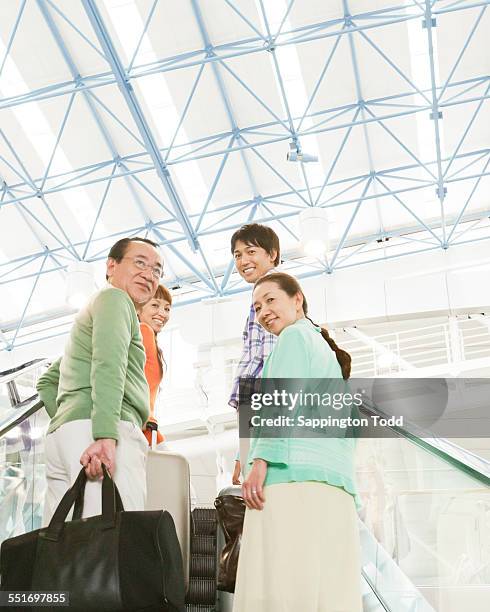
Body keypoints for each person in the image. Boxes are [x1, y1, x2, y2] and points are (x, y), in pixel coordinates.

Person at [233, 272, 362, 612]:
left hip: (291, 479)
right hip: (334, 486)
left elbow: (279, 401)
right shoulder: (326, 354)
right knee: (327, 592)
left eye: (270, 300)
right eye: (257, 307)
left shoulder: (292, 338)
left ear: (297, 299)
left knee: (281, 588)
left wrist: (259, 461)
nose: (263, 312)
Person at [37, 237, 162, 522]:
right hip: (102, 428)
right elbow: (109, 363)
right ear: (111, 265)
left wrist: (69, 418)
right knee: (115, 541)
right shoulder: (114, 299)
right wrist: (104, 433)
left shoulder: (97, 309)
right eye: (139, 263)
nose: (149, 275)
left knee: (67, 549)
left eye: (157, 270)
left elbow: (46, 381)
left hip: (68, 436)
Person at [228, 224, 280, 485]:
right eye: (237, 255)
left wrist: (256, 452)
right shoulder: (260, 296)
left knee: (264, 495)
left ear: (272, 254)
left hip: (264, 406)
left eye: (250, 251)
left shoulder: (273, 292)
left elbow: (272, 366)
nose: (243, 260)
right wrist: (242, 450)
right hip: (255, 408)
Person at [137, 284, 172, 447]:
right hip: (143, 426)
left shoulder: (147, 337)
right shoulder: (144, 330)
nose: (162, 313)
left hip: (145, 426)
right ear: (138, 309)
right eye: (155, 305)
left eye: (167, 308)